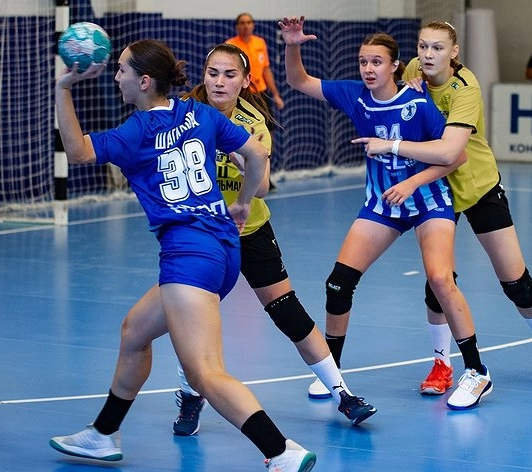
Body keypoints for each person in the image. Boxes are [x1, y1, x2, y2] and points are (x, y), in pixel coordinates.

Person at [47, 39, 316, 471]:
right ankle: (103, 433)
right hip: (223, 249)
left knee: (205, 373)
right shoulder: (200, 113)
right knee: (135, 331)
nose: (116, 77)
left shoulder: (135, 132)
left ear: (144, 81)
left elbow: (77, 151)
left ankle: (282, 451)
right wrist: (244, 202)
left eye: (121, 70)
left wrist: (63, 87)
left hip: (188, 254)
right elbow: (256, 154)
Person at [280, 16, 491, 411]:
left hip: (428, 201)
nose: (369, 69)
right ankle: (332, 373)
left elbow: (457, 156)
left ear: (395, 66)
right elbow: (299, 81)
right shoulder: (355, 96)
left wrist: (412, 183)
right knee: (338, 283)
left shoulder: (417, 104)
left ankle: (477, 371)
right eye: (363, 62)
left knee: (440, 279)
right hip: (382, 205)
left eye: (377, 62)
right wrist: (293, 45)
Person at [167, 43, 375, 438]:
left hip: (249, 229)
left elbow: (261, 186)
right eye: (213, 73)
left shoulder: (252, 122)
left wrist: (237, 151)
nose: (219, 81)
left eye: (230, 75)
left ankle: (342, 393)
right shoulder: (184, 116)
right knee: (192, 318)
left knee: (287, 310)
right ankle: (190, 394)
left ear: (246, 81)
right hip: (200, 235)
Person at [393, 21, 532, 395]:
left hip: (477, 185)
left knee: (517, 284)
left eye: (437, 48)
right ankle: (441, 363)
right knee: (438, 281)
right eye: (423, 47)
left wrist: (394, 147)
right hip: (437, 190)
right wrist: (403, 90)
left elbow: (450, 151)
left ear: (454, 52)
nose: (428, 55)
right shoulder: (414, 70)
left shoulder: (466, 88)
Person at [227, 12, 285, 111]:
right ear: (237, 26)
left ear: (253, 25)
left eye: (249, 22)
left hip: (260, 92)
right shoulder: (230, 45)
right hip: (241, 93)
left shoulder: (260, 42)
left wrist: (275, 94)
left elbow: (265, 69)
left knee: (265, 119)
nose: (246, 26)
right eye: (242, 23)